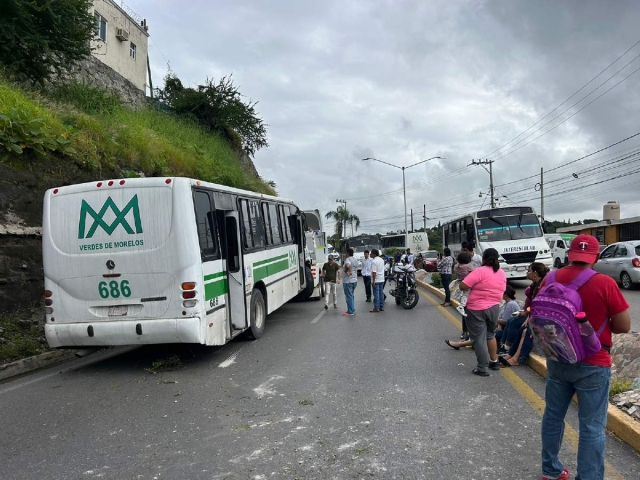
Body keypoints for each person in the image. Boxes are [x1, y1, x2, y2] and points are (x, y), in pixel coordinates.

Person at [539, 234, 629, 480]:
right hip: (593, 362)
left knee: (553, 415)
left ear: (569, 254)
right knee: (591, 426)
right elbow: (623, 326)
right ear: (596, 257)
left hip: (558, 357)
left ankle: (550, 470)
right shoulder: (605, 283)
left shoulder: (550, 277)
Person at [458, 248, 507, 376]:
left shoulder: (479, 271)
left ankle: (482, 367)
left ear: (484, 258)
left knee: (478, 338)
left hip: (476, 309)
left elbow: (463, 286)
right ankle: (494, 361)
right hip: (494, 308)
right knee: (490, 335)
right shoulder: (501, 272)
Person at [499, 262, 549, 365]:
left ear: (535, 273)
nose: (527, 273)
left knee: (527, 331)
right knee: (519, 325)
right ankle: (510, 353)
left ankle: (517, 357)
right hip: (532, 316)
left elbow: (539, 307)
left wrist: (528, 314)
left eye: (529, 270)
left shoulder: (542, 287)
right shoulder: (534, 286)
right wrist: (528, 315)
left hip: (541, 320)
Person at [452, 251, 475, 338]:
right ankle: (470, 332)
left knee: (465, 310)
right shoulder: (468, 266)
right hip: (469, 287)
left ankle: (464, 332)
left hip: (460, 285)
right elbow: (475, 273)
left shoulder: (456, 267)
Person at [342, 248, 358, 316]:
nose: (345, 254)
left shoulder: (348, 259)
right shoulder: (355, 259)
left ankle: (350, 311)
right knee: (351, 296)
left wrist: (347, 271)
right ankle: (352, 309)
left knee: (349, 296)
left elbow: (347, 265)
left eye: (346, 253)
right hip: (354, 280)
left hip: (348, 281)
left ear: (348, 253)